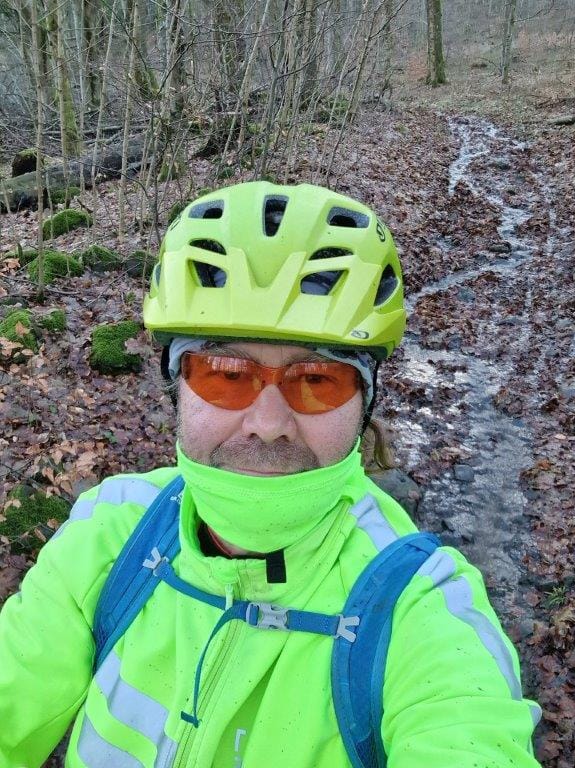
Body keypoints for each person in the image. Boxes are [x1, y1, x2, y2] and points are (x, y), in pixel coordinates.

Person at [0, 182, 541, 768]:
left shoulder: (420, 604)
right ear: (176, 387)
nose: (268, 424)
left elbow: (470, 735)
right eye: (226, 374)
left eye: (317, 381)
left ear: (366, 405)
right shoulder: (110, 531)